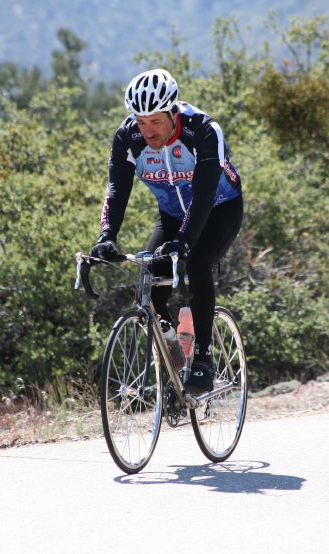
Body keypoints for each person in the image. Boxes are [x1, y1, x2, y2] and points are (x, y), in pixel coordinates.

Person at [89, 68, 244, 394]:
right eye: (141, 121)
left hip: (219, 210)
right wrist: (106, 236)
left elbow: (202, 196)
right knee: (152, 285)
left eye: (156, 121)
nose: (148, 130)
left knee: (198, 264)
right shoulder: (127, 138)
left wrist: (185, 243)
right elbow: (116, 191)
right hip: (172, 215)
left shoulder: (202, 131)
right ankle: (175, 358)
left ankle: (203, 358)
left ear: (173, 112)